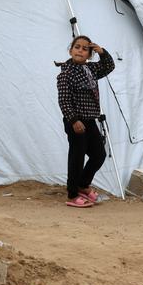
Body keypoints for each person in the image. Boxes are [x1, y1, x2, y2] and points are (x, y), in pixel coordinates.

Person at [56, 35, 115, 208]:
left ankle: (83, 185)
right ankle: (73, 194)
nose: (80, 50)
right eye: (77, 47)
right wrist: (74, 120)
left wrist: (102, 52)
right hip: (75, 121)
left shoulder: (91, 69)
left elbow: (109, 66)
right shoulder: (66, 73)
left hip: (90, 120)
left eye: (84, 49)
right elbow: (64, 100)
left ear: (89, 54)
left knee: (99, 155)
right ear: (70, 50)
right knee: (77, 156)